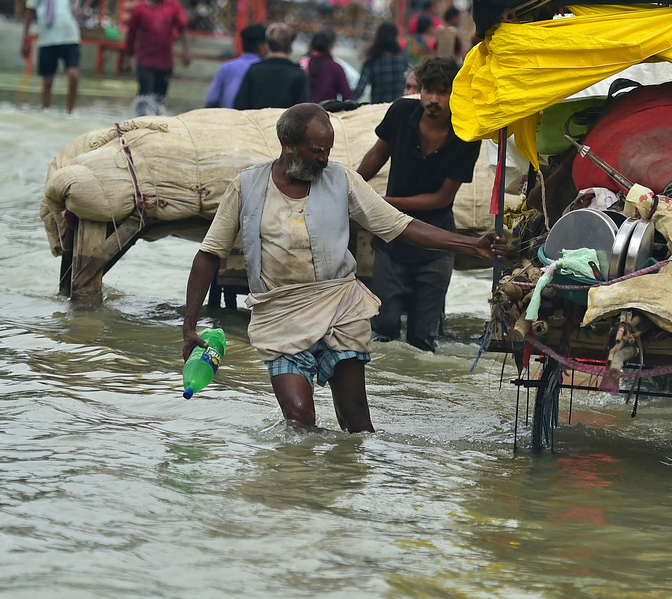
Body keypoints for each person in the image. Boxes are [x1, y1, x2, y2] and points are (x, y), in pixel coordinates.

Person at [182, 103, 505, 432]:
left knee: (357, 423)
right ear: (287, 142)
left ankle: (348, 479)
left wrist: (471, 244)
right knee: (298, 421)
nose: (324, 158)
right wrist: (190, 325)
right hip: (279, 314)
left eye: (329, 150)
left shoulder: (341, 180)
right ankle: (296, 482)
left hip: (340, 309)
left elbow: (398, 225)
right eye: (317, 150)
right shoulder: (247, 186)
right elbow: (209, 253)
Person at [356, 57, 482, 352]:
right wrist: (353, 186)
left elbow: (442, 198)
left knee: (423, 339)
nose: (433, 100)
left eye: (443, 92)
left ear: (457, 94)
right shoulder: (401, 112)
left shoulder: (465, 134)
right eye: (428, 90)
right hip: (392, 242)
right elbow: (377, 154)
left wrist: (384, 203)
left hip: (435, 248)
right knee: (383, 329)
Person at [21, 0, 91, 113]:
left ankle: (70, 112)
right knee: (48, 80)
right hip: (48, 38)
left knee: (74, 75)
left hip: (70, 37)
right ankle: (46, 110)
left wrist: (82, 10)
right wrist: (25, 38)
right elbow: (30, 10)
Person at [120, 0, 190, 101]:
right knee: (145, 95)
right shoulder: (140, 9)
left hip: (166, 62)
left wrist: (186, 51)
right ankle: (141, 120)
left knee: (160, 98)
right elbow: (131, 34)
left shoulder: (173, 7)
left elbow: (183, 29)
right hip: (145, 61)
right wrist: (127, 58)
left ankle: (157, 121)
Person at [233, 23, 309, 110]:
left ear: (267, 45)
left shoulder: (254, 71)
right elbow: (303, 111)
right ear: (289, 45)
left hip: (256, 122)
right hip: (285, 123)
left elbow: (240, 105)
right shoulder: (298, 74)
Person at [205, 24, 267, 108]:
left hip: (230, 117)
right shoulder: (265, 69)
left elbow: (211, 100)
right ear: (261, 47)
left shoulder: (227, 67)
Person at [354, 22, 409, 103]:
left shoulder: (372, 62)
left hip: (379, 110)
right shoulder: (404, 61)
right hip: (400, 109)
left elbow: (360, 89)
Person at [301, 27, 353, 104]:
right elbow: (348, 98)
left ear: (311, 45)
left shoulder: (303, 63)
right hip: (328, 112)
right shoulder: (336, 67)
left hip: (302, 113)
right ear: (331, 46)